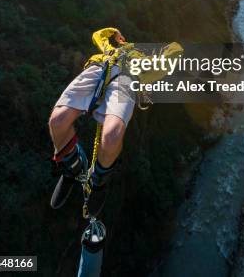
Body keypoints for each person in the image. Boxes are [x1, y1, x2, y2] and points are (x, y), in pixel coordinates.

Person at [49, 27, 182, 216]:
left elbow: (176, 51)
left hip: (127, 80)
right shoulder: (112, 49)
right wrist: (114, 32)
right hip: (101, 67)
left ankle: (98, 183)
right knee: (58, 120)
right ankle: (72, 166)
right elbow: (98, 35)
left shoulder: (151, 65)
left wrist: (158, 53)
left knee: (112, 136)